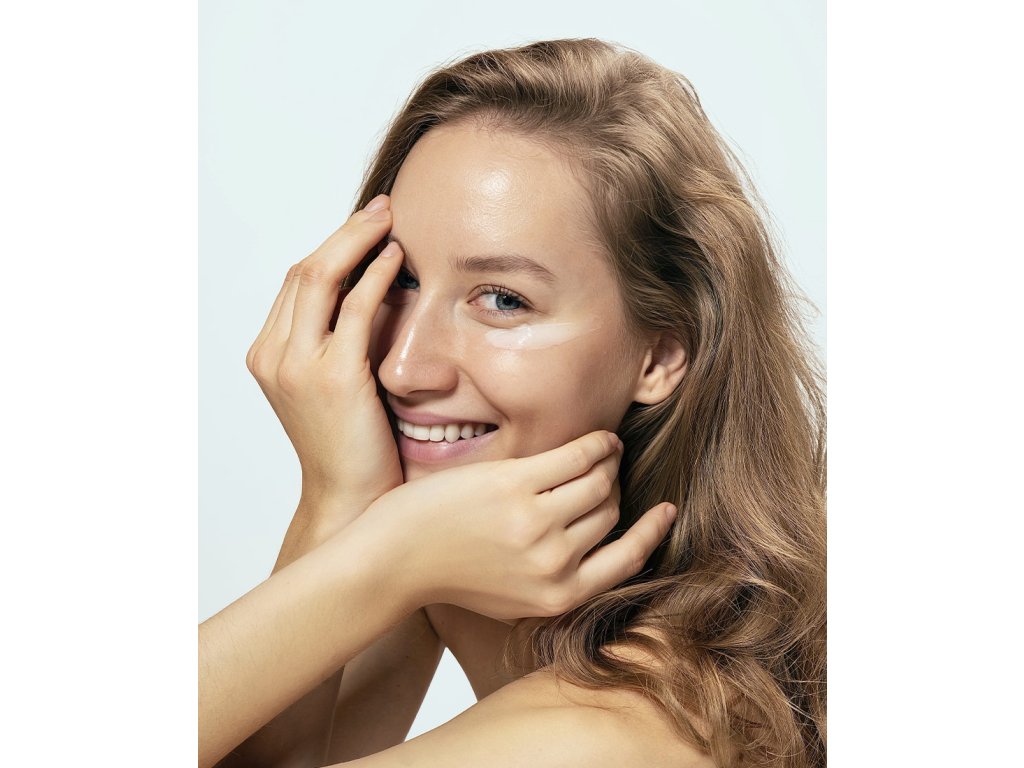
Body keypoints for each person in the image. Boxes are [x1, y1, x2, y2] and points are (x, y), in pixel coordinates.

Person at [199, 38, 826, 768]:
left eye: (502, 299)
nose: (402, 367)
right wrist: (343, 503)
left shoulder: (605, 738)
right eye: (398, 280)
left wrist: (381, 555)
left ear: (658, 356)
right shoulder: (449, 577)